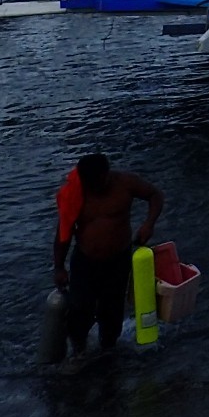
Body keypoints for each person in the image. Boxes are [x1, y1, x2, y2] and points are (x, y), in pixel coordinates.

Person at [52, 152, 163, 355]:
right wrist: (59, 267)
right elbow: (64, 232)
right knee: (80, 309)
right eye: (89, 183)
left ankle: (108, 354)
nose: (94, 187)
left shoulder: (125, 183)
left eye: (97, 182)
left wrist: (149, 224)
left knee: (111, 313)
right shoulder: (76, 193)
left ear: (107, 174)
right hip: (86, 261)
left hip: (117, 260)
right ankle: (78, 352)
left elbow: (154, 195)